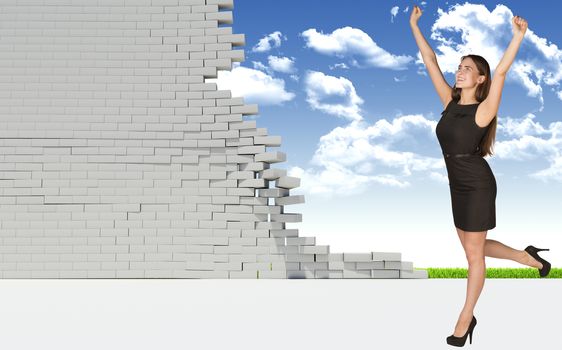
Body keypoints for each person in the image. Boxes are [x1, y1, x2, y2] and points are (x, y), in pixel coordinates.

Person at [409, 4, 551, 347]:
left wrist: (519, 36)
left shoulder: (484, 110)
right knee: (475, 246)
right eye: (459, 67)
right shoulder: (450, 101)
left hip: (477, 186)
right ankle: (525, 257)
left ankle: (465, 318)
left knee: (474, 255)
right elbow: (429, 60)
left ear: (480, 78)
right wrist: (414, 25)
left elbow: (501, 73)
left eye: (467, 69)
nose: (459, 72)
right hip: (457, 186)